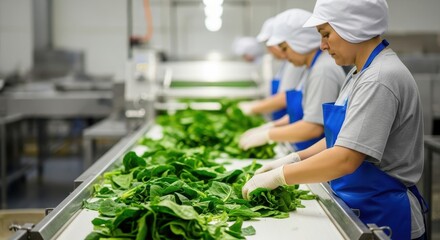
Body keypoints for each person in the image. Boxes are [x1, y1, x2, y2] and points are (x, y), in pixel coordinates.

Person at [242, 1, 428, 239]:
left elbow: (346, 158)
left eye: (327, 34)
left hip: (386, 218)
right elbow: (341, 138)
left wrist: (281, 176)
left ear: (354, 26)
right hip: (362, 206)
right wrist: (295, 157)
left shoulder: (379, 79)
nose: (322, 45)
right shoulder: (358, 73)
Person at [239, 9, 345, 151]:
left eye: (285, 48)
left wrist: (269, 135)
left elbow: (313, 127)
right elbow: (304, 112)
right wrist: (272, 126)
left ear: (300, 42)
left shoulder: (323, 70)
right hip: (305, 150)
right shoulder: (310, 68)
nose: (283, 55)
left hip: (317, 156)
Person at [239, 17, 307, 120]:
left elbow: (285, 97)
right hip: (284, 119)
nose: (269, 49)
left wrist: (253, 108)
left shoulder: (296, 63)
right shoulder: (284, 64)